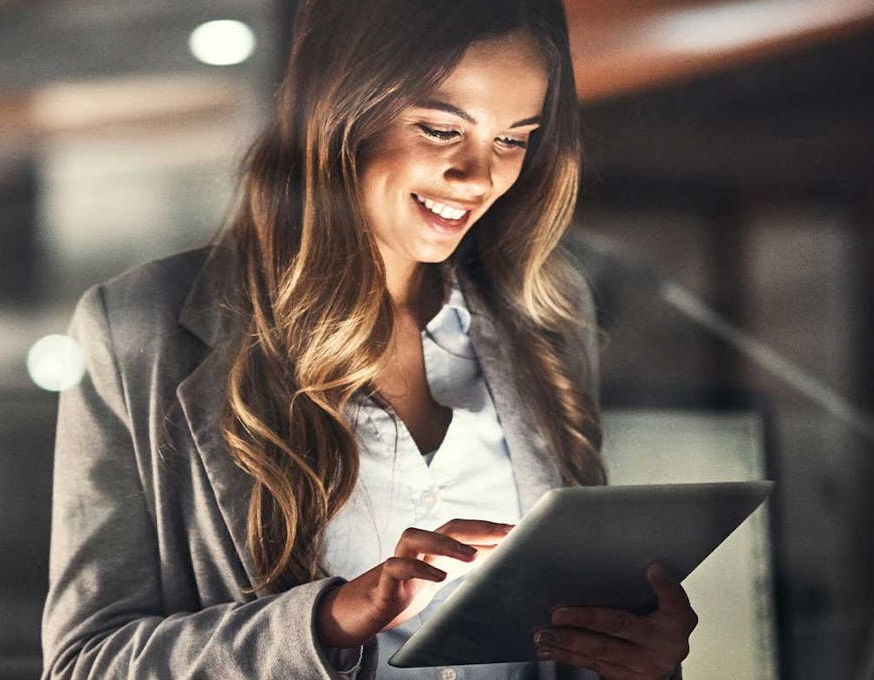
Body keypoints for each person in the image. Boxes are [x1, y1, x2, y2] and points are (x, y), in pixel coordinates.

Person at [40, 0, 698, 678]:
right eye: (442, 128)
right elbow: (86, 663)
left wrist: (635, 662)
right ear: (342, 111)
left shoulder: (548, 326)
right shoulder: (141, 325)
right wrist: (330, 620)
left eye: (513, 139)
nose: (478, 176)